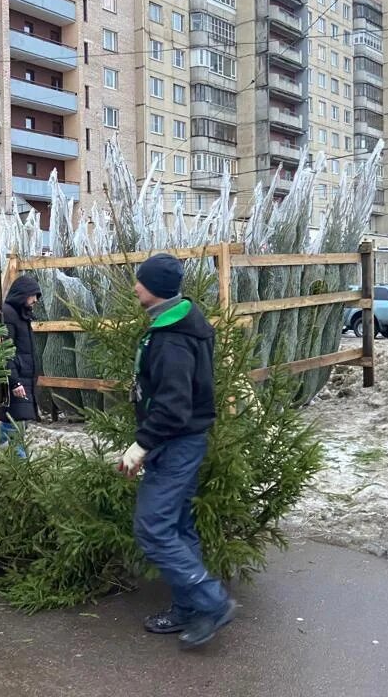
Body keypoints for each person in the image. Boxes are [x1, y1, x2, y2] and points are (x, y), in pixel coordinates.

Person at [120, 253, 236, 650]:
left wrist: (141, 446)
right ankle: (189, 608)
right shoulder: (176, 325)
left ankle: (211, 600)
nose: (135, 287)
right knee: (179, 525)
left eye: (140, 281)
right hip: (177, 442)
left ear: (154, 287)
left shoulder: (172, 339)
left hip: (176, 443)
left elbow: (173, 406)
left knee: (152, 527)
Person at [0, 275, 42, 457]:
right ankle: (20, 467)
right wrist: (14, 382)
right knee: (14, 425)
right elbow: (5, 351)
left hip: (24, 379)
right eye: (33, 296)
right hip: (17, 380)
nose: (35, 300)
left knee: (14, 424)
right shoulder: (9, 315)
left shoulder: (21, 315)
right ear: (23, 294)